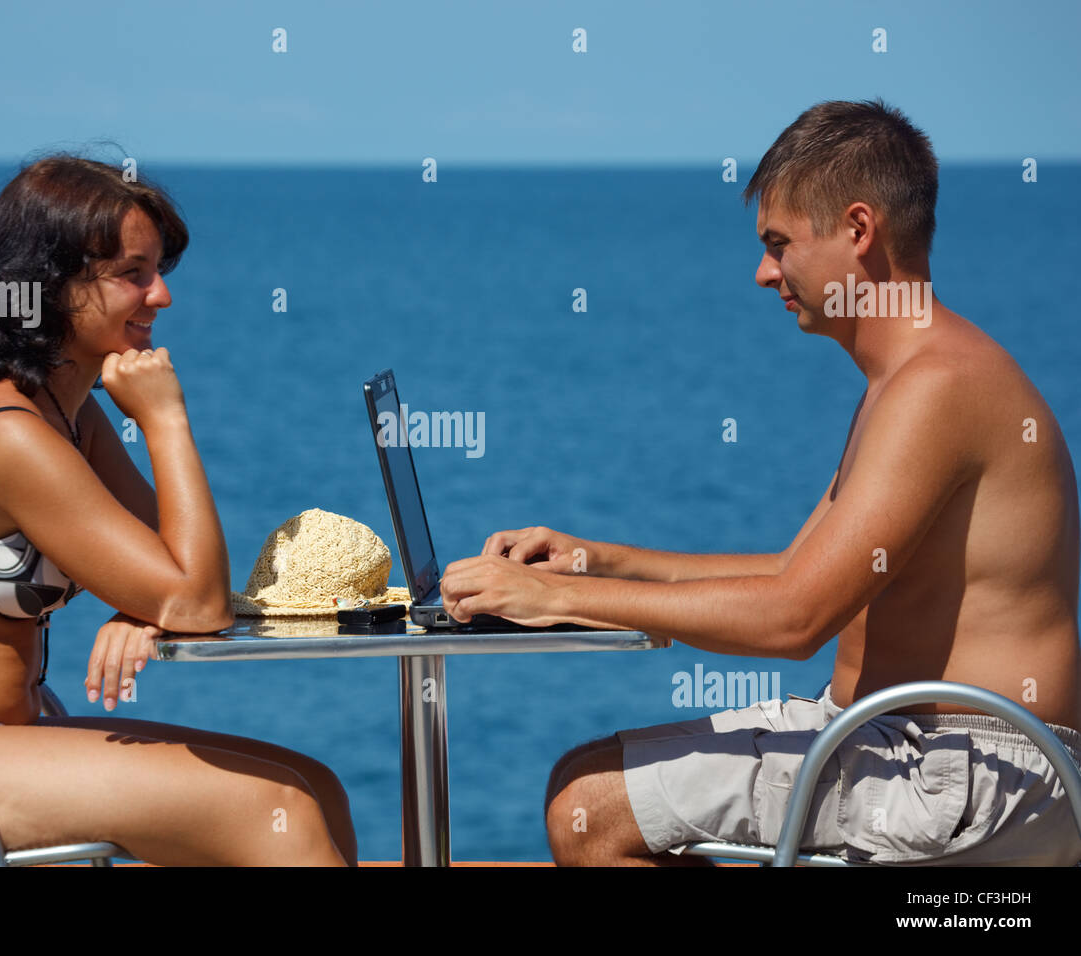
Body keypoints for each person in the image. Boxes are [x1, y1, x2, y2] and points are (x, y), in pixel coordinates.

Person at [439, 99, 1081, 866]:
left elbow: (792, 619)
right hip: (913, 745)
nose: (764, 272)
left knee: (588, 806)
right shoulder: (911, 379)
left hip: (960, 772)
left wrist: (557, 602)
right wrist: (590, 561)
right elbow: (789, 572)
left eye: (779, 245)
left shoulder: (936, 388)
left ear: (857, 230)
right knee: (595, 784)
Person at [0, 156, 354, 867]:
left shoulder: (67, 418)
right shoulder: (9, 435)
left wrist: (138, 608)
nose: (163, 296)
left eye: (158, 270)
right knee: (278, 810)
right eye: (133, 274)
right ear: (51, 286)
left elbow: (180, 577)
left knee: (317, 787)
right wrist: (165, 422)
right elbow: (199, 600)